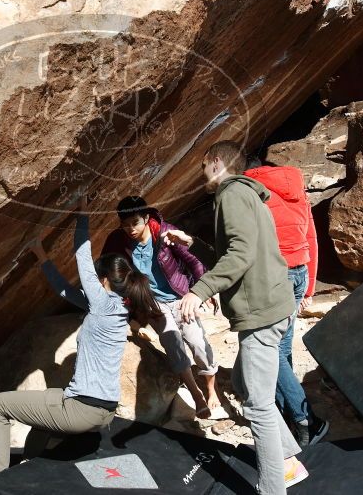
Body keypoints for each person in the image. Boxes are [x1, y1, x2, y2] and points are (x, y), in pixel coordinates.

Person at [0, 196, 163, 476]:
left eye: (96, 277)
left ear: (104, 281)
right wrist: (43, 258)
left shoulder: (102, 304)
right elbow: (65, 292)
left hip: (83, 410)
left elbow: (82, 255)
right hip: (103, 411)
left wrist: (83, 213)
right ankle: (28, 466)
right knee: (46, 406)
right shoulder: (118, 308)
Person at [168, 140, 309, 493]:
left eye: (203, 164)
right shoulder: (248, 194)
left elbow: (241, 254)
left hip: (260, 313)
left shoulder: (230, 195)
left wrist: (199, 292)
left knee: (258, 406)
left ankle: (273, 488)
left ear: (216, 162)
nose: (201, 172)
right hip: (274, 304)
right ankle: (289, 458)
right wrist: (191, 243)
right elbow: (235, 251)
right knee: (247, 385)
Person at [101, 196, 221, 415]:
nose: (130, 229)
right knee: (172, 342)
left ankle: (211, 389)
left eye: (135, 222)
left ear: (146, 218)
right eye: (125, 224)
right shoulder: (118, 241)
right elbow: (108, 270)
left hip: (179, 295)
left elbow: (194, 260)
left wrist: (200, 291)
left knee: (197, 343)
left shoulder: (165, 232)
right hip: (152, 302)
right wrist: (126, 306)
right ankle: (196, 394)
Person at [244, 160, 329, 446]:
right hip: (299, 273)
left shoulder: (247, 190)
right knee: (281, 345)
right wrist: (309, 289)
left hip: (273, 275)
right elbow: (311, 238)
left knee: (269, 350)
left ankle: (306, 419)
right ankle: (288, 415)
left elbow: (246, 244)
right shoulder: (294, 186)